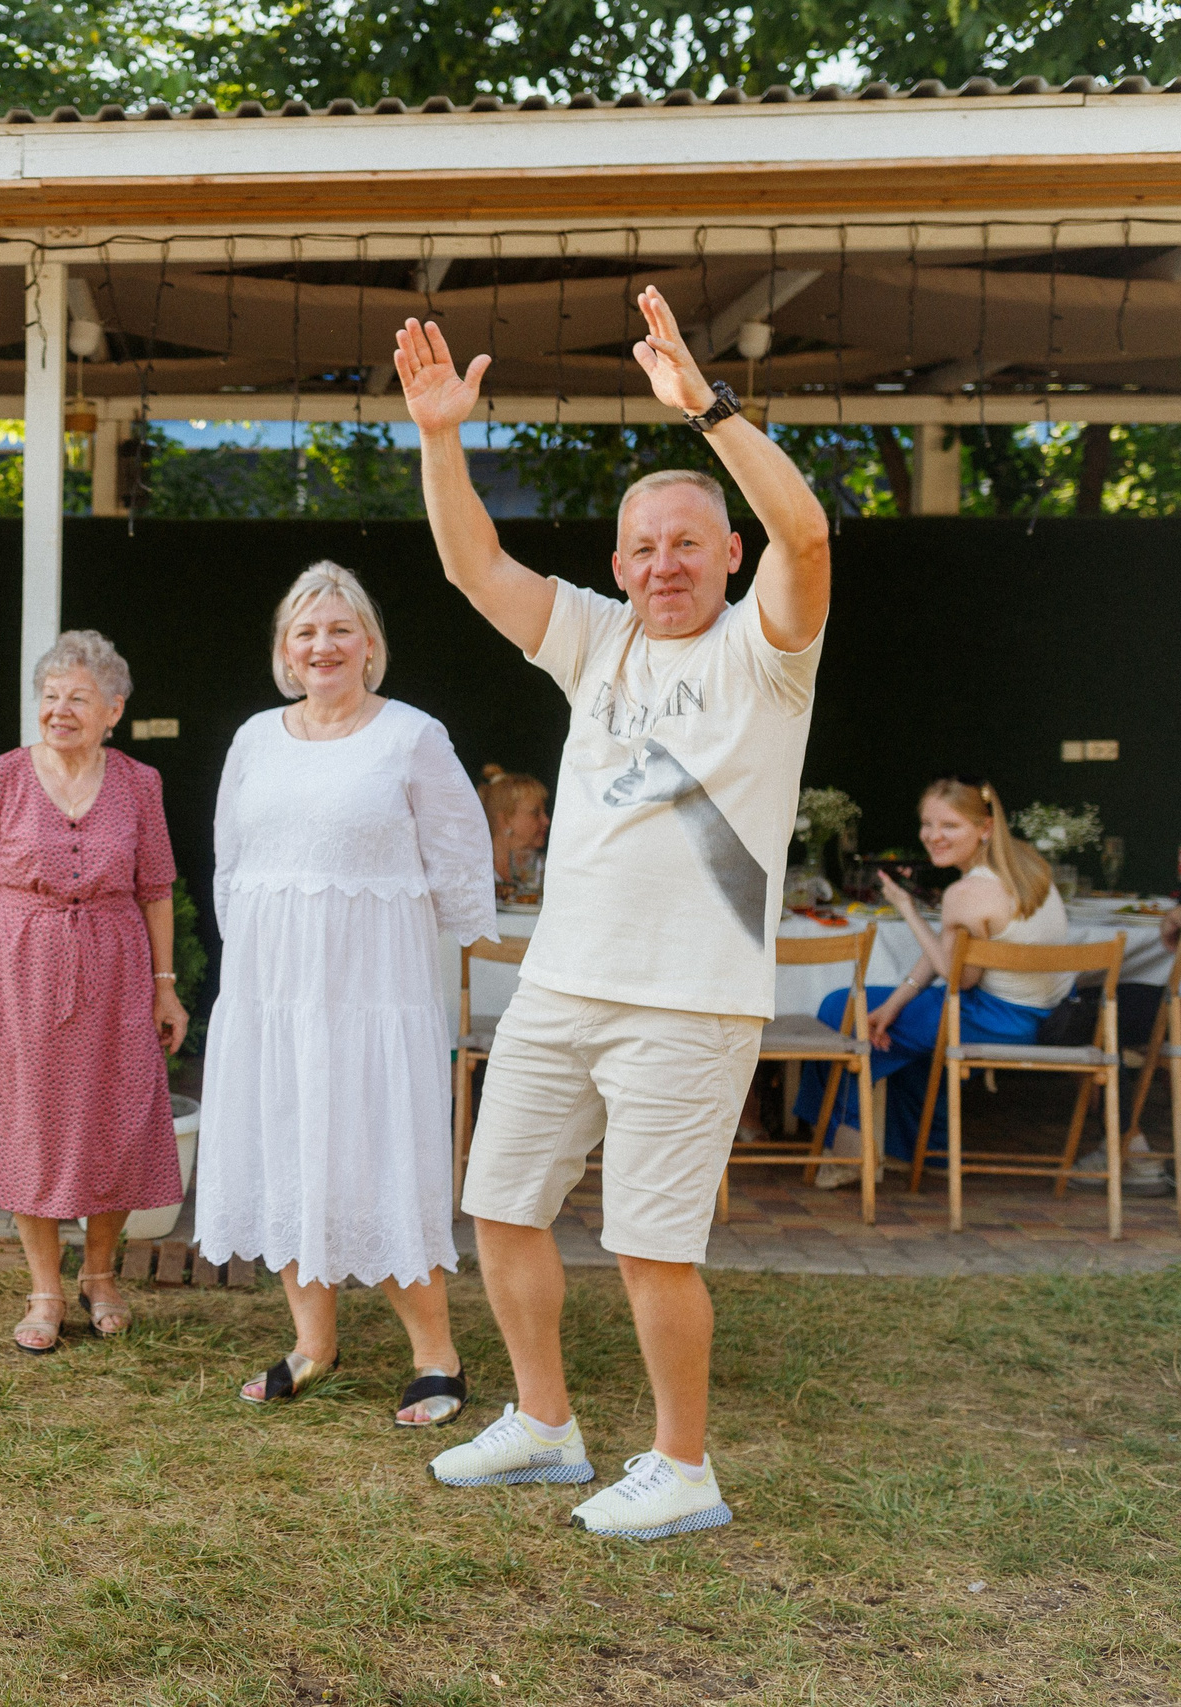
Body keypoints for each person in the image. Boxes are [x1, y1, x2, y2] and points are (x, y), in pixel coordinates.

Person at [396, 288, 832, 1541]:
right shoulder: (595, 641)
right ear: (617, 564)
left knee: (651, 1247)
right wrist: (440, 438)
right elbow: (472, 566)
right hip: (560, 984)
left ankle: (682, 1468)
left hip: (689, 1002)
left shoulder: (766, 653)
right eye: (642, 549)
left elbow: (806, 534)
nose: (662, 566)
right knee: (501, 1207)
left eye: (687, 544)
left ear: (729, 554)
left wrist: (707, 410)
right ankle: (544, 1426)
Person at [196, 563, 497, 1426]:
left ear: (369, 643)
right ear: (285, 650)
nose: (322, 645)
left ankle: (436, 1355)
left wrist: (436, 942)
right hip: (273, 991)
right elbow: (229, 859)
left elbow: (460, 854)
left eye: (339, 629)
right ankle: (313, 1343)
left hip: (372, 994)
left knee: (380, 1153)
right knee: (288, 1144)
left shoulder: (411, 736)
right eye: (305, 631)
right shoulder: (254, 738)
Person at [0, 631, 190, 1354]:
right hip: (16, 972)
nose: (60, 710)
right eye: (50, 696)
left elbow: (156, 889)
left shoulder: (140, 783)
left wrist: (165, 989)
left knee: (116, 1119)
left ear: (114, 710)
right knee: (30, 1126)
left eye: (78, 697)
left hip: (116, 972)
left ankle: (100, 1275)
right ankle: (44, 1287)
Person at [797, 779, 1170, 1196]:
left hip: (998, 1018)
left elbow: (957, 978)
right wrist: (897, 1003)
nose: (933, 836)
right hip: (1052, 1014)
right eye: (927, 824)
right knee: (884, 1022)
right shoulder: (1028, 867)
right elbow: (952, 955)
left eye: (950, 826)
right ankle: (925, 1150)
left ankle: (848, 1148)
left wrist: (908, 910)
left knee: (842, 1009)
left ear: (985, 828)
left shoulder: (965, 892)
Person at [479, 766, 551, 890]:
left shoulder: (552, 872)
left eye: (544, 812)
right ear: (504, 821)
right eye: (535, 813)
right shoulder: (473, 874)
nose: (546, 821)